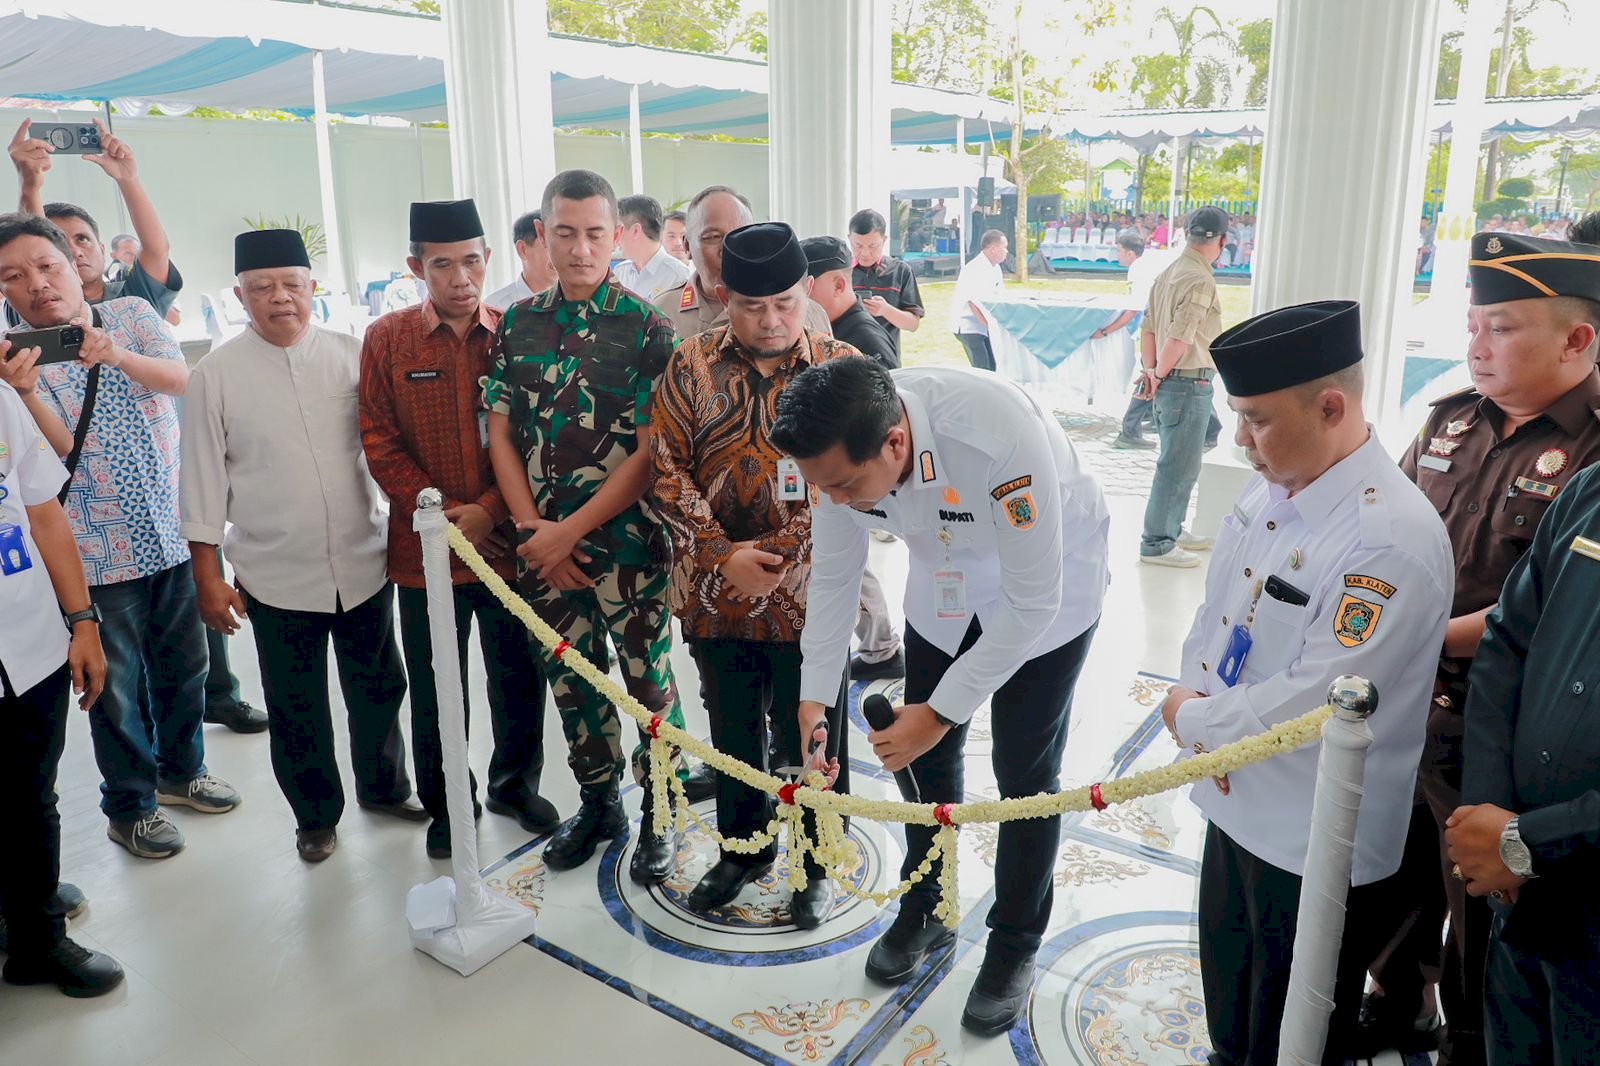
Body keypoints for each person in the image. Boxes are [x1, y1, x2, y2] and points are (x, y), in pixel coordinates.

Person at [772, 357, 1110, 1036]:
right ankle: (928, 902)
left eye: (844, 486)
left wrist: (941, 712)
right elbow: (835, 577)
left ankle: (1015, 942)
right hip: (945, 584)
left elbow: (1032, 602)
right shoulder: (836, 460)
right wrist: (815, 696)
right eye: (821, 487)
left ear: (895, 442)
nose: (833, 500)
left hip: (1048, 592)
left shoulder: (995, 435)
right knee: (926, 762)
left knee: (1025, 776)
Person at [1162, 299, 1454, 1065]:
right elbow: (1218, 616)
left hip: (1311, 833)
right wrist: (1200, 716)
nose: (1240, 439)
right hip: (1233, 791)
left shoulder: (1387, 539)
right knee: (1232, 1008)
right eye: (1238, 416)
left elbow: (1320, 693)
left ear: (1331, 407)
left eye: (1256, 420)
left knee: (1293, 1035)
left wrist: (1198, 724)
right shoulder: (1269, 489)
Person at [1359, 232, 1600, 1065]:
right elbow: (1384, 526)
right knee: (1394, 873)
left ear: (1577, 339)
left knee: (1482, 903)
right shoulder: (1449, 419)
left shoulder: (1592, 451)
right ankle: (1399, 1002)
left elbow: (1543, 610)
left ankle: (1470, 1039)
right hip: (1405, 702)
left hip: (1497, 723)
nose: (1478, 345)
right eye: (1472, 326)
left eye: (1500, 328)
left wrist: (1416, 639)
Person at [0, 212, 238, 861]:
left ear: (74, 264)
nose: (36, 284)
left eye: (46, 266)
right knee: (116, 690)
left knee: (186, 668)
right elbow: (57, 450)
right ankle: (131, 805)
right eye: (14, 277)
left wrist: (114, 355)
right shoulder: (10, 355)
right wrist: (24, 392)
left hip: (171, 530)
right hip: (92, 554)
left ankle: (182, 771)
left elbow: (186, 379)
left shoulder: (130, 314)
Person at [180, 229, 420, 864]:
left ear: (313, 287)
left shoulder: (352, 354)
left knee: (379, 687)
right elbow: (201, 480)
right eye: (262, 287)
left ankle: (385, 789)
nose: (279, 297)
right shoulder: (215, 375)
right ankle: (315, 817)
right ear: (240, 296)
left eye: (291, 284)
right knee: (296, 705)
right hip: (274, 573)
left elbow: (386, 450)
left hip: (364, 561)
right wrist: (208, 576)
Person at [483, 169, 686, 885]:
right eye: (564, 233)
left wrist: (567, 534)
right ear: (543, 234)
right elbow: (501, 433)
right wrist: (534, 531)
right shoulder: (518, 323)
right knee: (572, 680)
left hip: (628, 549)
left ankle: (662, 808)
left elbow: (648, 454)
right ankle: (600, 804)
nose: (579, 249)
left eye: (595, 233)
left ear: (617, 236)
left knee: (647, 686)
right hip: (542, 546)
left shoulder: (647, 328)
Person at [651, 221, 855, 924]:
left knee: (813, 734)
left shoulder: (841, 368)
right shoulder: (690, 365)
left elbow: (854, 482)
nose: (771, 321)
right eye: (751, 307)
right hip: (716, 597)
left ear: (808, 292)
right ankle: (744, 849)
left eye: (786, 304)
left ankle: (817, 860)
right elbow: (666, 469)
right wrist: (722, 554)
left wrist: (777, 553)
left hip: (811, 597)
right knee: (733, 730)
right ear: (721, 294)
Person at [359, 199, 559, 860]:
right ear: (416, 267)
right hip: (424, 555)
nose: (460, 278)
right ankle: (449, 806)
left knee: (518, 678)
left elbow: (533, 440)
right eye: (442, 265)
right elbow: (378, 439)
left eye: (471, 261)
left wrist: (491, 511)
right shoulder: (388, 339)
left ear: (488, 259)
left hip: (506, 549)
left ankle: (514, 786)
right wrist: (441, 512)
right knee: (437, 689)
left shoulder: (515, 334)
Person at [1449, 469, 1600, 1064]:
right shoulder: (1588, 491)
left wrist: (1528, 839)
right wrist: (1491, 815)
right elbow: (1507, 643)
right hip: (1522, 894)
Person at [0, 372, 123, 998]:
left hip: (30, 643)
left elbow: (44, 514)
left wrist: (83, 621)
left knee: (31, 797)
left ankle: (36, 936)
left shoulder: (1, 401)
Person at [801, 234, 905, 681]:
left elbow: (888, 409)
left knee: (849, 566)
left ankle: (882, 645)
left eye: (807, 284)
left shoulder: (861, 337)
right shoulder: (835, 326)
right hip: (835, 476)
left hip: (862, 478)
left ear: (838, 284)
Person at [7, 118, 182, 323]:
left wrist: (128, 178)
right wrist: (29, 185)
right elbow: (31, 247)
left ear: (102, 249)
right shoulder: (33, 302)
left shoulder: (135, 298)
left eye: (82, 239)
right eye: (60, 244)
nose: (75, 252)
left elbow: (156, 250)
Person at [1137, 205, 1228, 568]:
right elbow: (1179, 337)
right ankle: (1158, 542)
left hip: (1171, 380)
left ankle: (1170, 527)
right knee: (1177, 467)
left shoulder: (1169, 272)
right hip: (1186, 382)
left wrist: (1151, 373)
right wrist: (1158, 375)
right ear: (1223, 241)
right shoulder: (1200, 279)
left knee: (1181, 460)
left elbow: (1148, 330)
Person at [663, 185, 832, 341]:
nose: (728, 250)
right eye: (714, 237)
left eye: (741, 236)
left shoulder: (807, 313)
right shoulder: (662, 312)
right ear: (687, 246)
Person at [1109, 232, 1166, 449]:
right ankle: (1131, 429)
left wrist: (1107, 331)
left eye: (1119, 251)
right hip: (1157, 329)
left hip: (1156, 330)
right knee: (1151, 377)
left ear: (1130, 253)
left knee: (1150, 377)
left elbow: (1135, 309)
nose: (1117, 255)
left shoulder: (1138, 269)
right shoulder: (1145, 265)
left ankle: (1133, 427)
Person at [848, 208, 924, 357]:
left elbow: (913, 324)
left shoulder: (900, 271)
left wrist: (886, 310)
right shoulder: (842, 272)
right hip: (848, 358)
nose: (865, 253)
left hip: (886, 358)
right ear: (849, 239)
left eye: (872, 246)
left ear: (884, 240)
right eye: (858, 246)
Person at [613, 194, 693, 308]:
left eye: (618, 229)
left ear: (636, 230)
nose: (615, 237)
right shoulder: (620, 272)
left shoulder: (679, 276)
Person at [950, 230, 1008, 372]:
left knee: (995, 366)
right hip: (969, 326)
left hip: (983, 325)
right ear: (993, 249)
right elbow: (973, 303)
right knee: (983, 369)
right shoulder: (975, 269)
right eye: (1004, 247)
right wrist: (990, 326)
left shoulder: (995, 268)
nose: (1006, 251)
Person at [485, 210, 558, 312]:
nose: (561, 255)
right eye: (551, 245)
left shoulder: (576, 302)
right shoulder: (496, 309)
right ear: (523, 250)